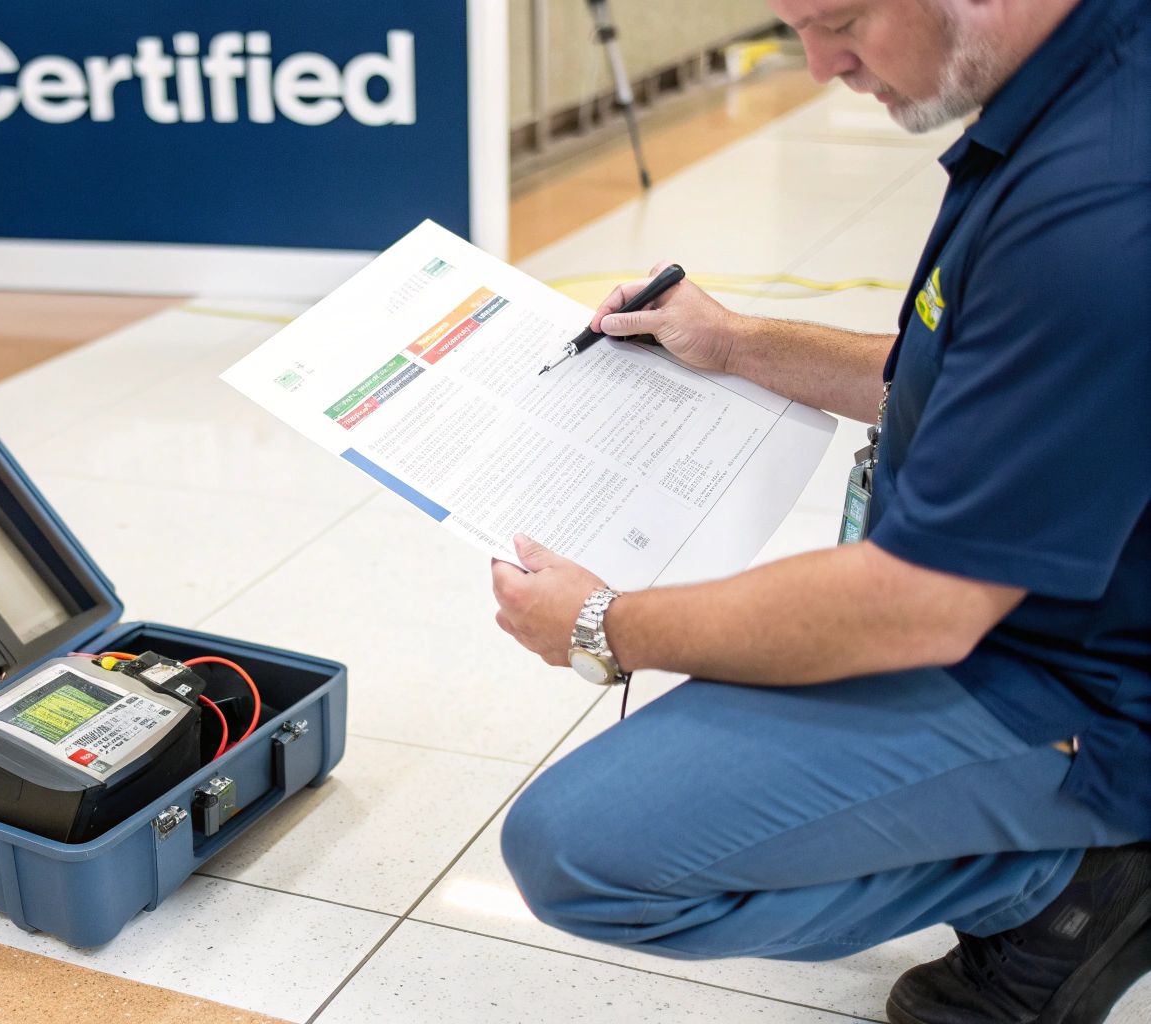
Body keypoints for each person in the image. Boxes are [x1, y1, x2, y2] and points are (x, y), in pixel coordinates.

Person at [489, 0, 1151, 1021]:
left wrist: (600, 624)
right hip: (1045, 604)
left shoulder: (1098, 200)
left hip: (1088, 693)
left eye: (840, 18)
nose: (817, 64)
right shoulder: (1065, 95)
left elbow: (917, 605)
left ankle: (1062, 885)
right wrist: (736, 342)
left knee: (577, 852)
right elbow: (975, 377)